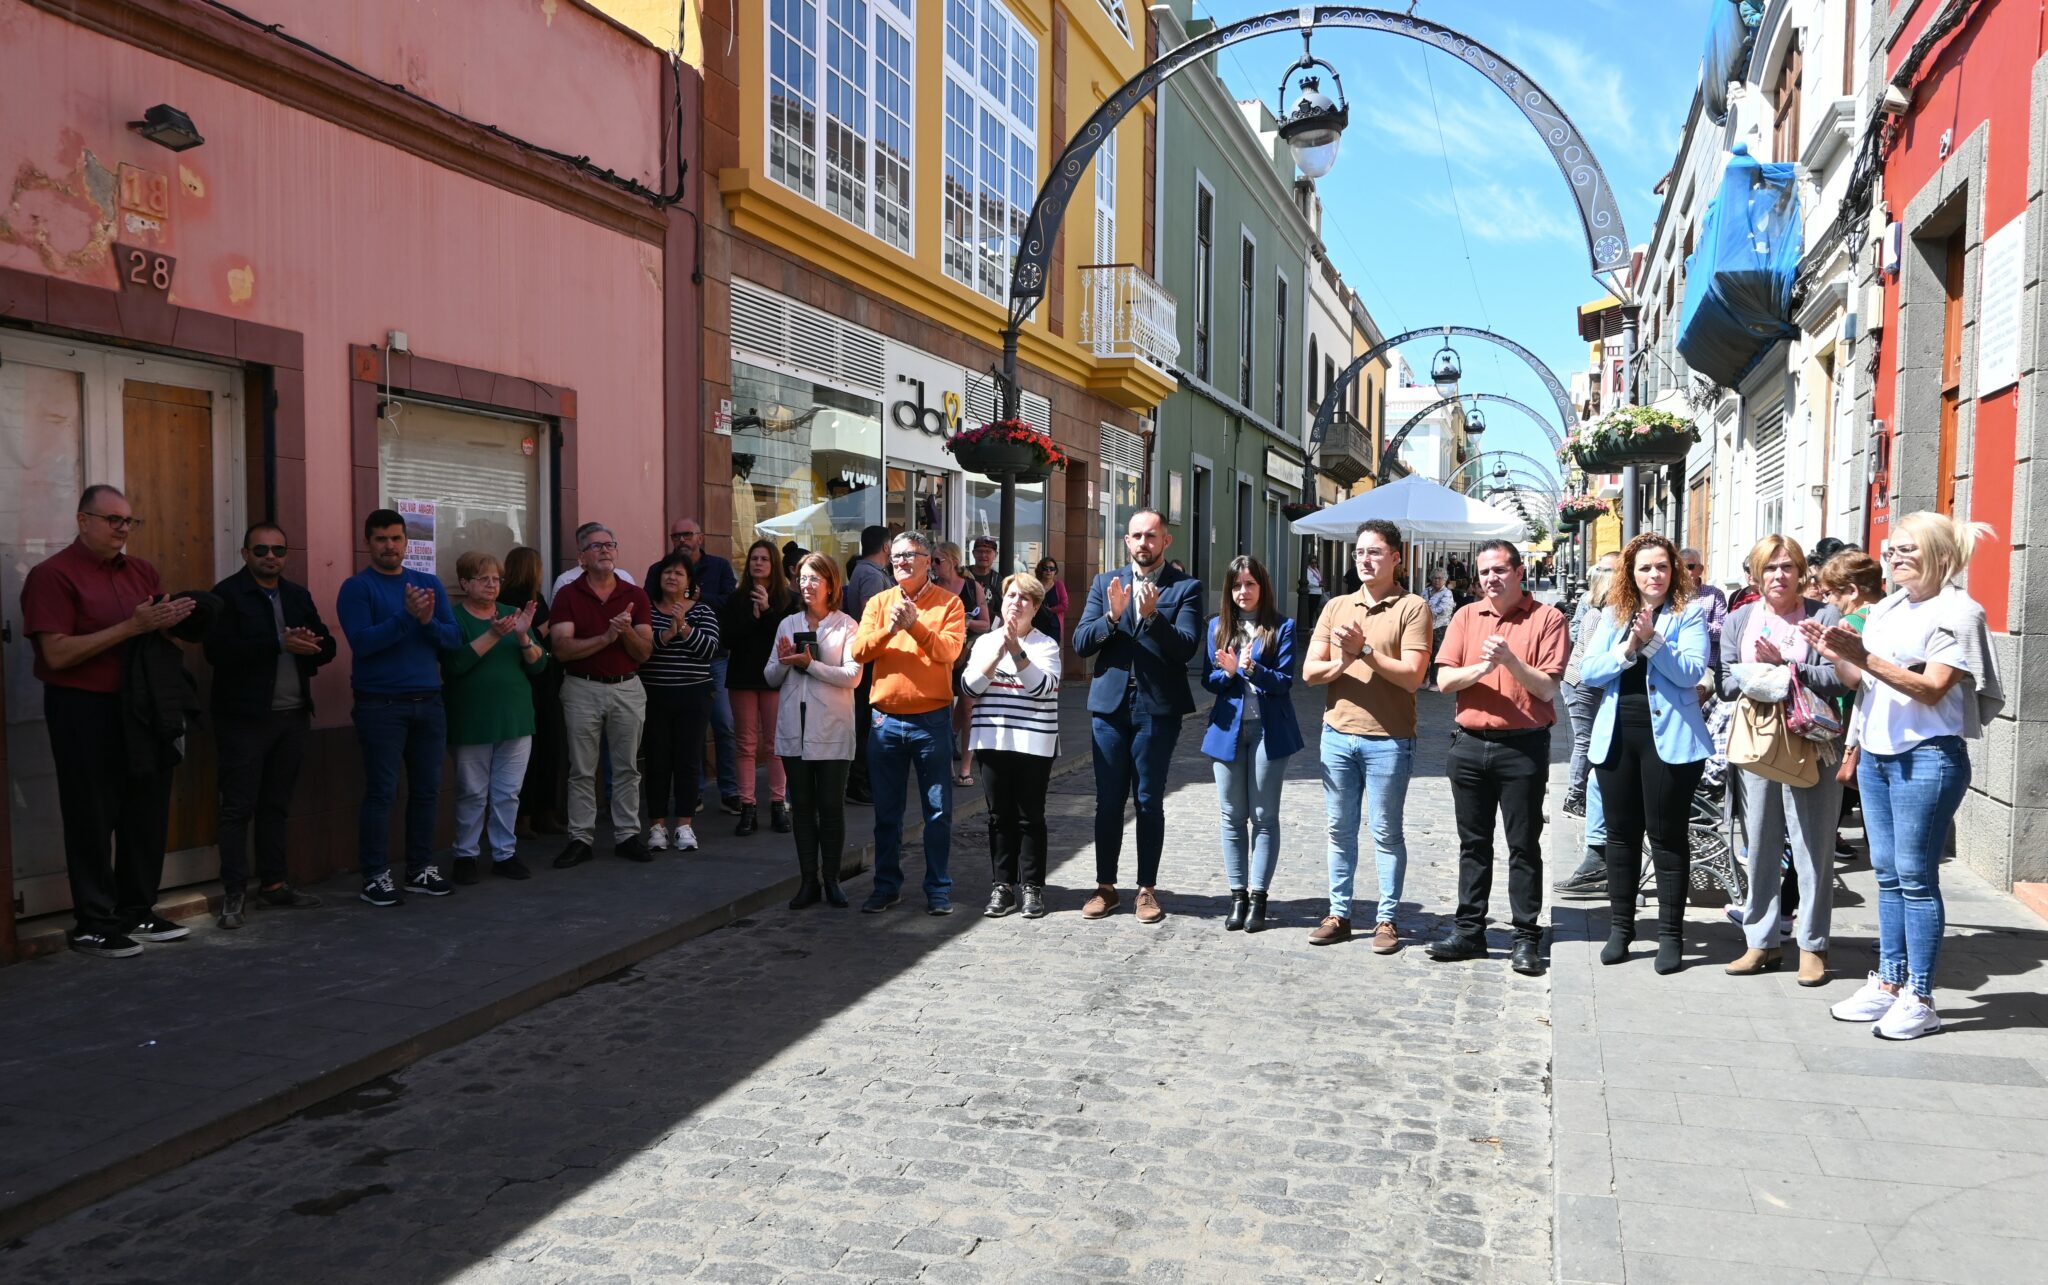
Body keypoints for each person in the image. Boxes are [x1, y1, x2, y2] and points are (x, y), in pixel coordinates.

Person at [1806, 513, 2004, 1041]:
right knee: (1889, 874)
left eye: (1905, 551)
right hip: (1876, 753)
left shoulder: (1960, 613)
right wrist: (1835, 653)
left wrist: (1862, 655)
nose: (1891, 559)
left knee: (1916, 878)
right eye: (1890, 551)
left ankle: (1921, 995)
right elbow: (1862, 681)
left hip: (1928, 755)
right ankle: (1888, 983)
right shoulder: (1888, 608)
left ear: (1939, 555)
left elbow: (1932, 688)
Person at [23, 485, 199, 956]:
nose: (123, 528)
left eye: (129, 521)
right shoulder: (53, 575)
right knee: (92, 815)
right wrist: (133, 626)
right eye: (113, 520)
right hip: (84, 707)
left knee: (146, 812)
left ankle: (137, 911)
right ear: (83, 521)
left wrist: (176, 618)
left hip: (142, 707)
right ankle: (93, 922)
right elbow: (56, 654)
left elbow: (153, 630)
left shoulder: (141, 570)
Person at [1430, 541, 1570, 975]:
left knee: (1523, 845)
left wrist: (1509, 660)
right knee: (1473, 844)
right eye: (1484, 572)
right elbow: (1444, 680)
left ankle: (1525, 936)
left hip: (1522, 747)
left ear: (1519, 572)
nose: (1490, 579)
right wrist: (1480, 671)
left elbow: (1547, 689)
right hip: (1469, 744)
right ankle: (1470, 930)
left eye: (1499, 570)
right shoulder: (1465, 616)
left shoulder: (1548, 619)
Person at [1715, 536, 1850, 985]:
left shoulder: (1823, 616)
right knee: (1760, 844)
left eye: (1787, 567)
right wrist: (1760, 674)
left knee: (1813, 845)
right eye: (1769, 568)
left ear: (1801, 573)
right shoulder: (1739, 619)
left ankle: (1813, 944)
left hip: (1811, 744)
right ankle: (1761, 940)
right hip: (1757, 743)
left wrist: (1789, 670)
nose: (1778, 576)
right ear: (1755, 575)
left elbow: (1840, 679)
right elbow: (1726, 683)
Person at [1580, 532, 1713, 974]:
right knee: (1620, 835)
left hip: (1671, 741)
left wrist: (1654, 641)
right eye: (1644, 568)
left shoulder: (1689, 614)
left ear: (1673, 570)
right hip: (1619, 736)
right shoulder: (1614, 615)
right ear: (1630, 575)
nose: (1653, 574)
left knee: (1667, 835)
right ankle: (1621, 928)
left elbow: (1690, 672)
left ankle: (1670, 935)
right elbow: (1589, 671)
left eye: (1661, 566)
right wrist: (1628, 649)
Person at [1302, 521, 1431, 951]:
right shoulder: (1337, 606)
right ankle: (1339, 913)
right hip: (1338, 735)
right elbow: (1310, 672)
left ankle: (1387, 919)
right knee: (1339, 830)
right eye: (1359, 552)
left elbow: (1413, 677)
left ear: (1397, 557)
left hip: (1389, 740)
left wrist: (1367, 652)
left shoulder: (1412, 607)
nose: (1365, 559)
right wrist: (1343, 662)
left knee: (1385, 831)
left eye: (1374, 552)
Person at [1072, 509, 1204, 924]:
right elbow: (1080, 643)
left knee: (1148, 800)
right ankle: (1105, 887)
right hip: (1109, 708)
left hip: (1156, 710)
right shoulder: (1104, 583)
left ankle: (1146, 888)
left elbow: (1185, 648)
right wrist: (1112, 616)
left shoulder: (1185, 588)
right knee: (1108, 800)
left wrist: (1151, 616)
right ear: (1126, 542)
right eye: (1136, 536)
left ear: (1166, 541)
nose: (1143, 543)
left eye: (1151, 536)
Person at [204, 522, 335, 929]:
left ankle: (275, 885)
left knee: (276, 805)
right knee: (237, 808)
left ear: (287, 554)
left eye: (278, 550)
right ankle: (233, 893)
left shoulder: (297, 596)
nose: (270, 557)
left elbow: (327, 645)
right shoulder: (226, 595)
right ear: (245, 554)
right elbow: (216, 653)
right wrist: (278, 643)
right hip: (245, 720)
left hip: (292, 716)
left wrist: (310, 647)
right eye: (261, 551)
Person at [337, 508, 463, 906]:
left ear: (407, 542)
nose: (389, 546)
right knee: (382, 793)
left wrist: (425, 621)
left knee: (427, 791)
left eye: (396, 538)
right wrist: (408, 618)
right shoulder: (357, 588)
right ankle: (375, 875)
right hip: (381, 707)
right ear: (368, 543)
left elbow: (452, 638)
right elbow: (364, 642)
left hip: (429, 703)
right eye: (380, 539)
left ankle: (419, 869)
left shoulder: (427, 584)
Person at [851, 531, 967, 914]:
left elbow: (949, 651)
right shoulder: (878, 603)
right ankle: (886, 886)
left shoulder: (949, 603)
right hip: (885, 722)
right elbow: (859, 651)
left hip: (931, 722)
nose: (900, 561)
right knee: (887, 813)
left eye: (909, 555)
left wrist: (915, 625)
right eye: (896, 555)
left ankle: (938, 888)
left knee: (937, 812)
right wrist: (891, 628)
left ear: (927, 560)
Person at [1200, 556, 1302, 935]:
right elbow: (1209, 682)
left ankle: (1259, 897)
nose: (1243, 592)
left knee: (1263, 816)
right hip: (1227, 730)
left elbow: (1284, 681)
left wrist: (1251, 669)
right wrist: (1226, 673)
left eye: (1250, 584)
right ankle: (1237, 895)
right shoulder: (1217, 626)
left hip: (1268, 730)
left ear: (1262, 587)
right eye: (1237, 585)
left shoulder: (1282, 626)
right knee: (1231, 815)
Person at [548, 521, 654, 868]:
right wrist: (606, 638)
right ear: (581, 557)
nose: (605, 550)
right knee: (581, 769)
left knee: (626, 768)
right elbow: (562, 649)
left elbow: (644, 652)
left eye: (610, 544)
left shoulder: (634, 594)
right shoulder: (568, 595)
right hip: (581, 688)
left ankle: (627, 835)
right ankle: (581, 838)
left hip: (627, 687)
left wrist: (623, 634)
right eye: (596, 546)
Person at [442, 550, 546, 884]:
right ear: (464, 583)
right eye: (483, 578)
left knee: (507, 792)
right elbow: (455, 665)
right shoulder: (455, 617)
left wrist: (523, 636)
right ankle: (466, 855)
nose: (492, 585)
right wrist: (494, 635)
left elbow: (540, 664)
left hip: (515, 718)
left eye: (496, 579)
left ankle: (504, 853)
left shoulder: (511, 614)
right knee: (472, 791)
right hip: (472, 719)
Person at [964, 572, 1063, 920]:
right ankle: (1003, 886)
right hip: (993, 740)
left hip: (1034, 742)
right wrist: (998, 653)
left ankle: (1032, 887)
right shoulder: (984, 642)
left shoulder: (1046, 646)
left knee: (1030, 816)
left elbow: (1040, 688)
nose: (1015, 603)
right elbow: (970, 688)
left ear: (1035, 607)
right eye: (1010, 596)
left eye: (1024, 598)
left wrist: (1017, 651)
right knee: (998, 816)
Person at [767, 553, 862, 909]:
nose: (806, 585)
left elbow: (853, 676)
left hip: (832, 728)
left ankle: (832, 879)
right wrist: (784, 661)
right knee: (802, 808)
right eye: (802, 578)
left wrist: (812, 665)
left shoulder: (847, 626)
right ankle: (808, 881)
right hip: (795, 728)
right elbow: (770, 677)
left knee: (831, 807)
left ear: (830, 584)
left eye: (814, 579)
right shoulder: (787, 624)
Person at [641, 553, 721, 854]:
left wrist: (684, 627)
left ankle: (684, 825)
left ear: (689, 582)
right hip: (655, 695)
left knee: (688, 761)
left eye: (679, 573)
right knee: (657, 760)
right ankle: (657, 826)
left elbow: (709, 651)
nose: (672, 577)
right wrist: (667, 633)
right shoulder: (646, 611)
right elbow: (642, 651)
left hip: (694, 696)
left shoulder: (702, 611)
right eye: (667, 573)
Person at [665, 518, 742, 815]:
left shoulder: (720, 567)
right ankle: (692, 792)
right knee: (689, 729)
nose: (681, 539)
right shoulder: (663, 567)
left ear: (701, 537)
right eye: (676, 535)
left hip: (715, 657)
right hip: (679, 660)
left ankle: (730, 791)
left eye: (687, 534)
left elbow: (730, 603)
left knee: (724, 724)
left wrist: (696, 598)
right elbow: (652, 599)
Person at [722, 538, 797, 835]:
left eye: (764, 559)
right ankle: (747, 807)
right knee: (745, 744)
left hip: (774, 679)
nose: (758, 563)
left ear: (773, 565)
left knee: (775, 745)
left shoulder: (787, 600)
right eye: (754, 558)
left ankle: (778, 805)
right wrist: (752, 618)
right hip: (742, 677)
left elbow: (784, 641)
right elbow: (728, 639)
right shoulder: (736, 598)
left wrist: (766, 612)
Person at [1555, 554, 1619, 898]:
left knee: (1588, 741)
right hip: (1581, 684)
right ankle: (1574, 795)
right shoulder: (1597, 615)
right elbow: (1594, 657)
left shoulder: (1599, 612)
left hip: (1584, 685)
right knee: (1585, 741)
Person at [504, 546, 566, 838]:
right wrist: (543, 627)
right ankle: (523, 817)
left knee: (548, 748)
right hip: (526, 682)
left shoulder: (537, 598)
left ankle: (544, 812)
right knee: (526, 754)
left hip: (546, 681)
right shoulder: (510, 600)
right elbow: (518, 641)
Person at [843, 525, 894, 806]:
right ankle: (858, 782)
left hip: (868, 656)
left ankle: (860, 780)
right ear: (886, 547)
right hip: (870, 658)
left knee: (866, 722)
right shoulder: (872, 575)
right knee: (866, 724)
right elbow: (870, 617)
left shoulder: (866, 572)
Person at [933, 541, 990, 787]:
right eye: (931, 561)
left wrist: (964, 623)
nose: (933, 566)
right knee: (942, 712)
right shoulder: (930, 588)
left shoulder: (970, 587)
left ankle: (965, 769)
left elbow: (986, 623)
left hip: (968, 655)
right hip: (940, 657)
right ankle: (944, 764)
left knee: (968, 709)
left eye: (937, 561)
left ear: (953, 561)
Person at [1681, 548, 1728, 667]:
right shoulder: (1669, 596)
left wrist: (1697, 624)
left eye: (1689, 567)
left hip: (1706, 665)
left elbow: (1723, 632)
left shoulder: (1714, 595)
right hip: (1676, 663)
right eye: (1678, 567)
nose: (1683, 572)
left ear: (1700, 569)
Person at [1035, 557, 1069, 643]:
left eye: (1052, 569)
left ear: (1055, 571)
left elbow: (1064, 605)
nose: (1049, 571)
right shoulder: (1035, 585)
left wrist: (1050, 610)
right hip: (1036, 624)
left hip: (1053, 626)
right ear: (1040, 569)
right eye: (1045, 568)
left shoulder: (1059, 585)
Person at [968, 536, 1003, 611]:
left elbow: (1001, 610)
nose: (983, 555)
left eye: (988, 551)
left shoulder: (998, 581)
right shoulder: (963, 574)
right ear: (973, 553)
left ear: (995, 555)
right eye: (979, 551)